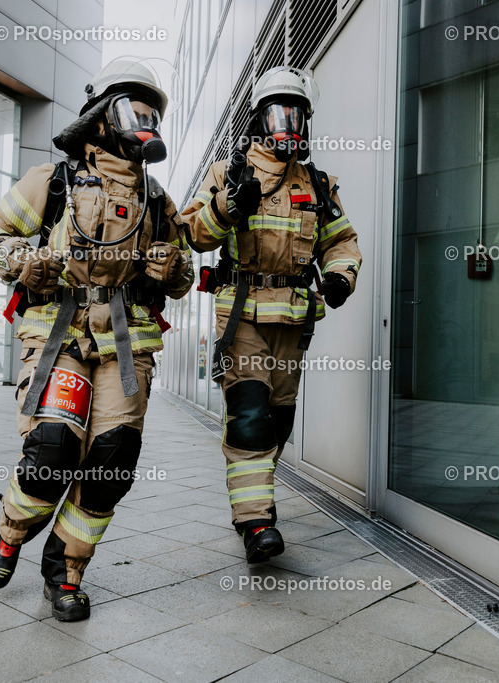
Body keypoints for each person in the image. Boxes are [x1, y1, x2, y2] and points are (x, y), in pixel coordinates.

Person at [0, 58, 193, 621]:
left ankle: (64, 567)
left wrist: (174, 271)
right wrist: (18, 261)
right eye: (132, 110)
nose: (143, 122)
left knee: (113, 462)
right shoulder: (54, 181)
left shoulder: (157, 200)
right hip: (58, 333)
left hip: (126, 343)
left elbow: (186, 270)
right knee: (54, 449)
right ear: (101, 116)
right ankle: (10, 530)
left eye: (151, 114)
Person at [182, 66, 362, 563]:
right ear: (260, 120)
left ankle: (254, 498)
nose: (289, 126)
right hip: (240, 317)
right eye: (279, 115)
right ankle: (256, 522)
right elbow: (192, 235)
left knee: (278, 421)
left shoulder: (318, 185)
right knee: (250, 418)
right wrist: (225, 207)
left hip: (294, 321)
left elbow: (341, 240)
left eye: (297, 115)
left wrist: (342, 275)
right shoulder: (228, 173)